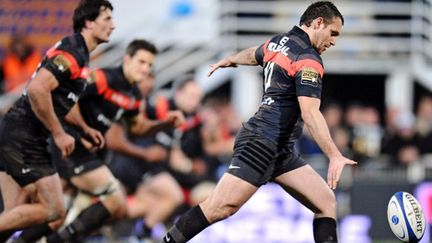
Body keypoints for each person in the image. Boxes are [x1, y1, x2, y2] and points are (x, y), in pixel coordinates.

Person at [162, 1, 357, 243]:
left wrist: (231, 59)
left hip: (280, 148)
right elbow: (310, 113)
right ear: (318, 23)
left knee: (325, 201)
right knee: (220, 207)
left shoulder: (279, 42)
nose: (334, 40)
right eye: (333, 32)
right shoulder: (309, 59)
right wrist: (334, 154)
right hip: (263, 141)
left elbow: (255, 53)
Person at [30, 39, 184, 243]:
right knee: (115, 201)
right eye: (141, 62)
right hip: (72, 146)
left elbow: (137, 129)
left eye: (150, 65)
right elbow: (67, 99)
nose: (146, 69)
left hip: (90, 152)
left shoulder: (134, 95)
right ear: (127, 58)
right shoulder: (103, 77)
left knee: (57, 213)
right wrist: (84, 131)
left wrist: (164, 123)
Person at [0, 0, 114, 241]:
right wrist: (59, 133)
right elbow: (37, 90)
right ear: (89, 23)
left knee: (14, 215)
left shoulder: (80, 54)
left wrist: (82, 129)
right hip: (25, 137)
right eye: (107, 19)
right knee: (55, 209)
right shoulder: (73, 51)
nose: (113, 26)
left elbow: (59, 99)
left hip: (15, 133)